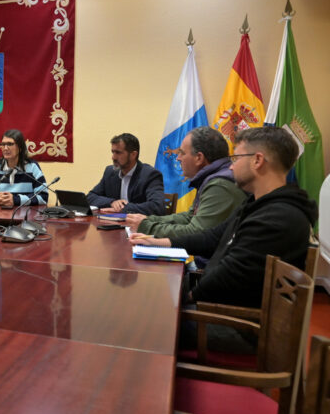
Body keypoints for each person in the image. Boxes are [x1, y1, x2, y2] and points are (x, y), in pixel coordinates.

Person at [130, 126, 317, 308]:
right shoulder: (256, 203)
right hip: (216, 300)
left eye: (236, 158)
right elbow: (212, 237)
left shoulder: (278, 217)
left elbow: (229, 276)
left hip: (232, 321)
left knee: (145, 307)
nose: (231, 166)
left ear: (257, 160)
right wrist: (160, 242)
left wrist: (185, 299)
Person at [124, 127, 247, 245]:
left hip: (211, 264)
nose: (178, 158)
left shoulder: (220, 185)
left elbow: (196, 233)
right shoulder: (212, 179)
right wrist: (149, 220)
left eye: (182, 153)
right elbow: (189, 217)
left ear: (199, 158)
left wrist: (146, 226)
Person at [86, 133, 165, 215]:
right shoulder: (110, 172)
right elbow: (90, 197)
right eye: (113, 152)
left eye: (118, 153)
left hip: (138, 225)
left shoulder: (150, 175)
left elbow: (157, 206)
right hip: (111, 223)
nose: (113, 157)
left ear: (133, 155)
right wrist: (112, 202)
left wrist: (124, 208)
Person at [0, 129, 47, 207]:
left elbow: (43, 197)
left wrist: (16, 200)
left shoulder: (32, 167)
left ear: (20, 147)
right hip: (0, 215)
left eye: (10, 144)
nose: (5, 148)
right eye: (3, 144)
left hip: (25, 216)